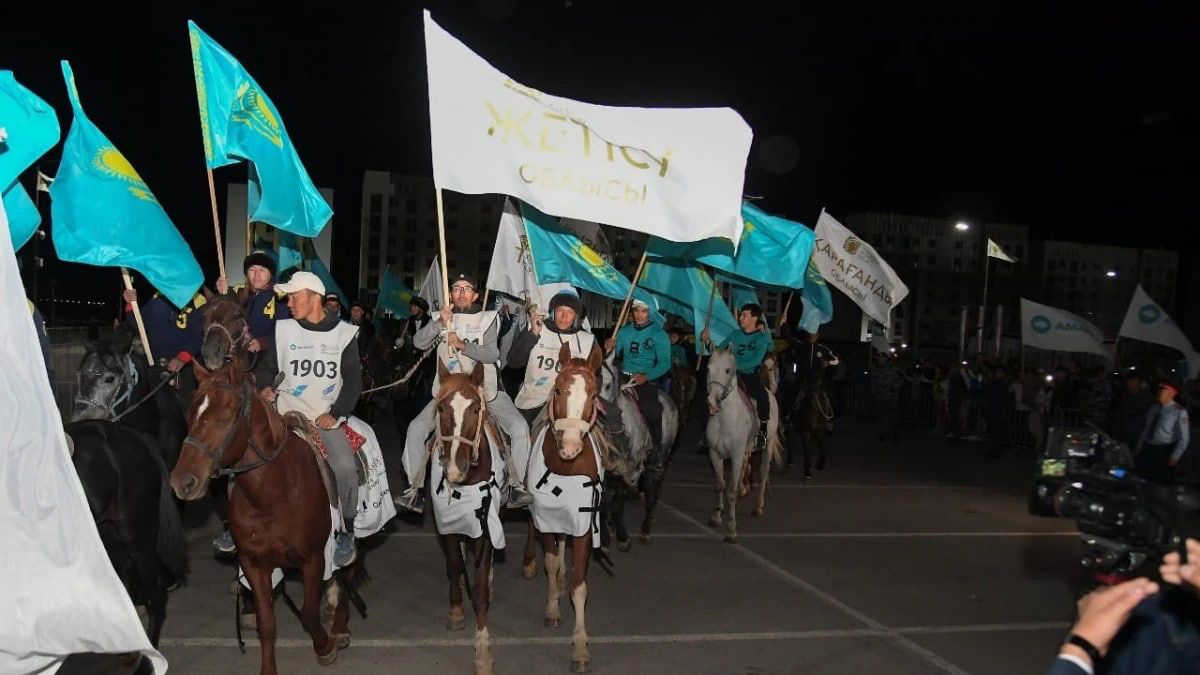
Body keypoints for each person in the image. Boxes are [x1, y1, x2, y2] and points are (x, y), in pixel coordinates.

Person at [252, 271, 363, 567]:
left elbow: (353, 382)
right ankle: (234, 525)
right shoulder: (284, 330)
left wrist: (336, 413)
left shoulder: (344, 334)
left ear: (315, 298)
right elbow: (266, 368)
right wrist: (264, 387)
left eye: (294, 296)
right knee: (244, 456)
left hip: (322, 419)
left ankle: (347, 531)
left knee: (344, 466)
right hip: (285, 416)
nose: (289, 302)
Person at [394, 275, 532, 513]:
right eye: (456, 289)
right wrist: (439, 324)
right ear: (451, 295)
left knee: (520, 428)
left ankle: (516, 485)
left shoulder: (488, 319)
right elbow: (418, 342)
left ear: (475, 295)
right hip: (448, 393)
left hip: (485, 390)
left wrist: (462, 345)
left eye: (467, 289)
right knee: (416, 429)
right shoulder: (441, 317)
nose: (461, 293)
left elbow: (491, 354)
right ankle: (414, 489)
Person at [507, 289, 594, 424]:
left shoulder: (587, 340)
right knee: (518, 435)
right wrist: (532, 335)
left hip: (571, 402)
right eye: (560, 310)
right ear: (553, 312)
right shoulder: (536, 328)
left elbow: (595, 376)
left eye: (570, 312)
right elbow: (513, 362)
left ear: (576, 316)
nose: (564, 316)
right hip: (533, 400)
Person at [701, 303, 773, 453]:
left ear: (754, 318)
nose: (740, 318)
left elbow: (756, 360)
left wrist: (735, 367)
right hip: (728, 375)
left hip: (748, 375)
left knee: (762, 396)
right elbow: (719, 352)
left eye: (744, 315)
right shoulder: (735, 334)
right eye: (740, 315)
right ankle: (706, 433)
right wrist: (708, 342)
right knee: (710, 393)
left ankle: (762, 432)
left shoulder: (762, 337)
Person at [605, 299, 671, 456]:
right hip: (622, 377)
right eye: (636, 311)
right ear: (632, 312)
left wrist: (647, 376)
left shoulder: (659, 334)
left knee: (651, 410)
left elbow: (665, 363)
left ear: (650, 313)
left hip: (645, 379)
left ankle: (656, 447)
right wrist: (611, 347)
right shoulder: (624, 331)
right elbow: (615, 354)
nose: (640, 315)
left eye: (644, 311)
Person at [215, 249, 290, 358]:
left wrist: (263, 343)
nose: (256, 275)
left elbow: (286, 331)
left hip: (269, 357)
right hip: (238, 355)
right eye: (252, 269)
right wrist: (222, 294)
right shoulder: (237, 292)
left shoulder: (281, 296)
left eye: (262, 270)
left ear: (271, 274)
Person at [1136, 378, 1190, 483]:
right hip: (1148, 448)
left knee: (1160, 482)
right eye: (1158, 390)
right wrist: (1139, 445)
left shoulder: (1179, 411)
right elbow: (1147, 428)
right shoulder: (1154, 408)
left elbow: (1184, 438)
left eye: (1163, 389)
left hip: (1163, 451)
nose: (1158, 392)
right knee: (1144, 479)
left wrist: (1175, 457)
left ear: (1172, 393)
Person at [1113, 372, 1154, 451]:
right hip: (1123, 435)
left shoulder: (1146, 398)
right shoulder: (1126, 396)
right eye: (1129, 382)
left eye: (1134, 383)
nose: (1130, 385)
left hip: (1135, 436)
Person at [870, 353, 904, 442]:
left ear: (886, 359)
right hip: (880, 396)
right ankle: (882, 433)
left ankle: (895, 434)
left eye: (882, 358)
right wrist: (874, 390)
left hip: (891, 396)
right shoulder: (875, 369)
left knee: (893, 416)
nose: (880, 360)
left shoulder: (894, 369)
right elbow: (872, 381)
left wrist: (893, 389)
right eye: (879, 358)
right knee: (881, 416)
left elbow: (900, 381)